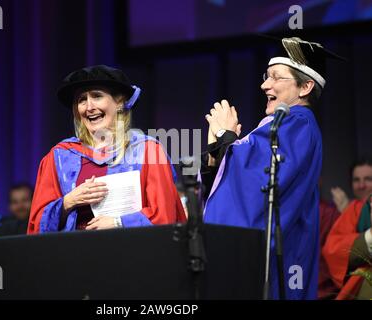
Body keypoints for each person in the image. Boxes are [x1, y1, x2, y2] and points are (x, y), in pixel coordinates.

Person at [202, 37, 343, 299]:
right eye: (266, 76)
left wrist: (226, 137)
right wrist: (215, 156)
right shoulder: (282, 124)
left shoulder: (298, 124)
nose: (265, 84)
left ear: (306, 86)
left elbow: (256, 180)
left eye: (276, 77)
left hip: (272, 261)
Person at [27, 65, 186, 234]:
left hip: (132, 254)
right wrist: (68, 202)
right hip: (74, 255)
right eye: (82, 99)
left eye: (97, 96)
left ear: (119, 102)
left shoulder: (147, 151)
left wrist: (119, 223)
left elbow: (165, 215)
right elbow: (36, 224)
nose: (89, 107)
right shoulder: (60, 157)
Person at [323, 195, 372, 300]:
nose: (362, 185)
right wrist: (370, 237)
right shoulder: (359, 209)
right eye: (356, 180)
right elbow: (333, 250)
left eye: (368, 179)